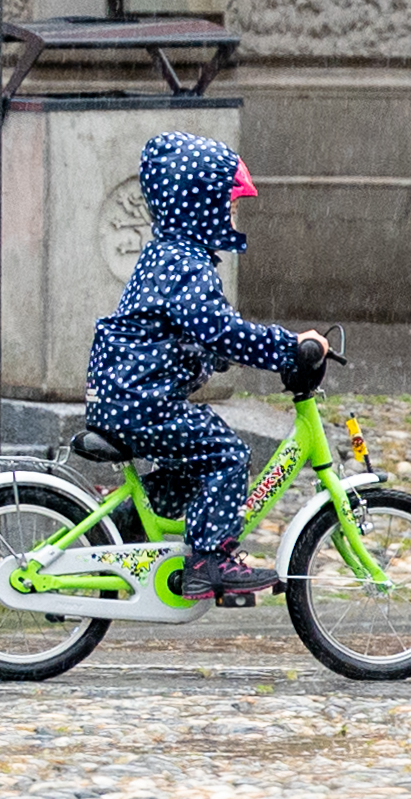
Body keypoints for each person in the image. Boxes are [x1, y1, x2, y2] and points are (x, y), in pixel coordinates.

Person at [85, 131, 328, 601]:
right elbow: (222, 331)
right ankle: (209, 560)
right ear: (201, 207)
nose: (233, 216)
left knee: (193, 470)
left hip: (129, 397)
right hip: (143, 402)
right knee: (227, 456)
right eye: (228, 205)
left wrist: (220, 354)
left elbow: (194, 334)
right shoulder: (184, 264)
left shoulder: (172, 255)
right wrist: (288, 347)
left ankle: (115, 534)